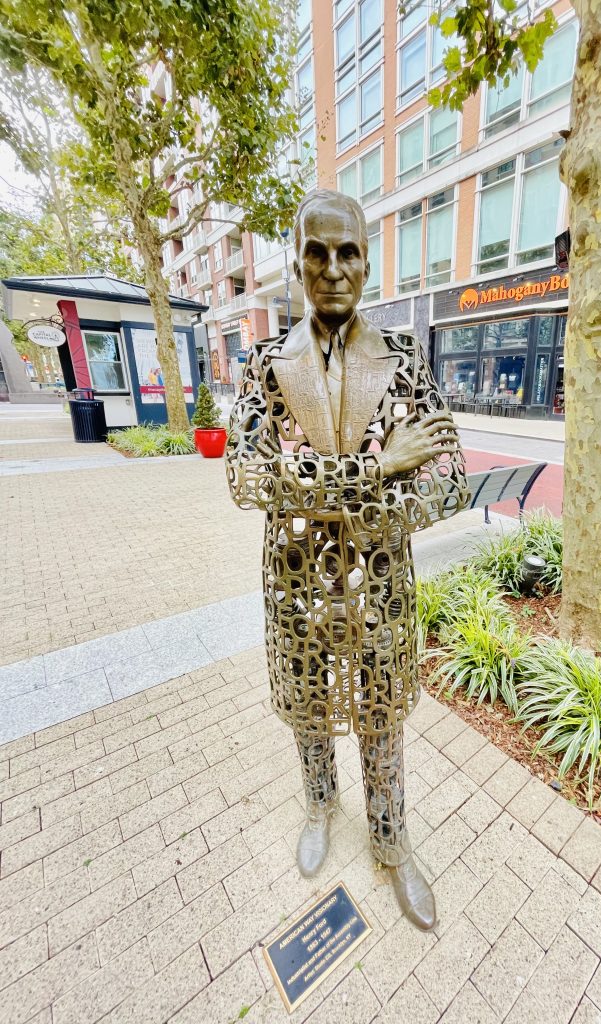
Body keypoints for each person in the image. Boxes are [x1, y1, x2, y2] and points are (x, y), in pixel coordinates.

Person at [225, 190, 469, 930]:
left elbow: (450, 477)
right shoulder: (267, 364)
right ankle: (320, 804)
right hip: (298, 589)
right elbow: (246, 477)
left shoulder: (403, 360)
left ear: (367, 259)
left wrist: (338, 497)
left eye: (348, 252)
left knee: (382, 716)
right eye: (316, 252)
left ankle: (393, 843)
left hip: (380, 589)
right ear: (296, 262)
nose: (333, 269)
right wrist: (375, 473)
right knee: (308, 709)